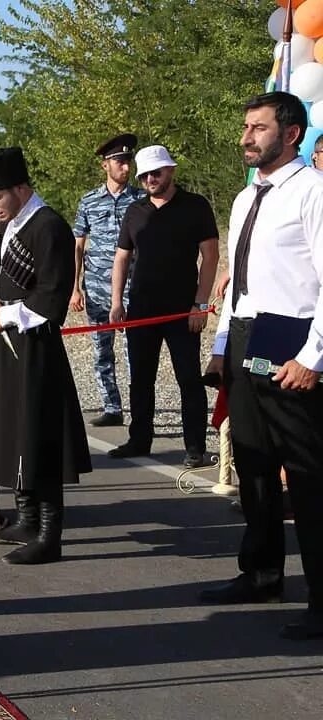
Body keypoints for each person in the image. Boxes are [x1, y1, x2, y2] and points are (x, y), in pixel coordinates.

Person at [199, 91, 323, 641]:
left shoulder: (313, 193)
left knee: (308, 476)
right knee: (252, 464)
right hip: (250, 334)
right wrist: (224, 345)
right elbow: (238, 282)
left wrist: (313, 357)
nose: (246, 136)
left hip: (295, 339)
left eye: (259, 127)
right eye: (245, 126)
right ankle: (262, 573)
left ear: (291, 133)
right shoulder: (247, 197)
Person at [0, 147, 92, 565]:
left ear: (20, 188)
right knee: (11, 431)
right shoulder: (8, 225)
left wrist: (5, 316)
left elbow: (51, 299)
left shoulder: (48, 226)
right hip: (3, 345)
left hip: (35, 349)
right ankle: (25, 517)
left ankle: (49, 534)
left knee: (39, 436)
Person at [107, 145, 219, 468]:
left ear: (171, 171)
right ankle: (139, 439)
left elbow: (209, 256)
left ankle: (195, 446)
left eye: (156, 173)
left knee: (188, 378)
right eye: (144, 176)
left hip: (182, 310)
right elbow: (122, 257)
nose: (150, 180)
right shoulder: (134, 211)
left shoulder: (195, 206)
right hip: (141, 307)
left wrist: (200, 303)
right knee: (141, 377)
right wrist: (117, 301)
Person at [71, 133, 147, 427]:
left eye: (128, 162)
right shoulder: (89, 201)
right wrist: (74, 288)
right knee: (102, 350)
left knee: (134, 352)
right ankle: (111, 407)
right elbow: (78, 245)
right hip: (96, 289)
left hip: (131, 289)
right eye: (119, 162)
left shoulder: (141, 199)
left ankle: (139, 409)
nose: (126, 168)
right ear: (105, 165)